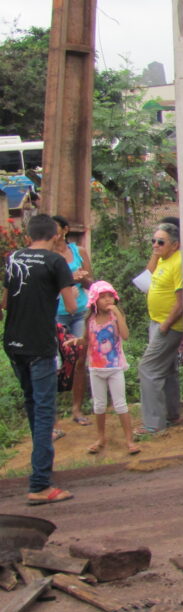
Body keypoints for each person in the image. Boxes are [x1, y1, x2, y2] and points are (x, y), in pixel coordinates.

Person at [3, 214, 77, 505]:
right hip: (39, 344)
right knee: (46, 410)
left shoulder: (13, 258)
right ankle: (40, 484)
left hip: (13, 342)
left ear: (29, 235)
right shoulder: (56, 262)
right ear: (56, 235)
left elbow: (6, 302)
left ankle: (41, 471)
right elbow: (71, 307)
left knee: (33, 404)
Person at [137, 222, 183, 434]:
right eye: (153, 241)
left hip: (168, 325)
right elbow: (145, 279)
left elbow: (181, 301)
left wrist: (165, 325)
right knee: (167, 370)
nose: (155, 245)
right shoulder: (164, 259)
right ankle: (173, 414)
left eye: (160, 242)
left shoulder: (178, 262)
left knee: (148, 368)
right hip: (156, 321)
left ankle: (153, 424)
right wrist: (156, 253)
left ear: (175, 245)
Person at [81, 280, 139, 456]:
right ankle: (101, 438)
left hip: (115, 367)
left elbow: (126, 335)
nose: (107, 300)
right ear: (94, 301)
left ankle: (129, 440)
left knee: (120, 404)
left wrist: (118, 314)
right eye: (102, 297)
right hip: (96, 368)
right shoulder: (90, 320)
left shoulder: (115, 317)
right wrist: (77, 341)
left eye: (109, 296)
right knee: (99, 405)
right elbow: (86, 339)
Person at [52, 215, 92, 428]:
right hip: (56, 312)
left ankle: (77, 408)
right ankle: (53, 415)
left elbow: (90, 281)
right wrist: (68, 279)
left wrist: (82, 278)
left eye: (57, 229)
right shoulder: (47, 255)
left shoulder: (79, 252)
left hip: (79, 310)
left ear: (65, 230)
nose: (54, 234)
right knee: (55, 361)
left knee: (79, 358)